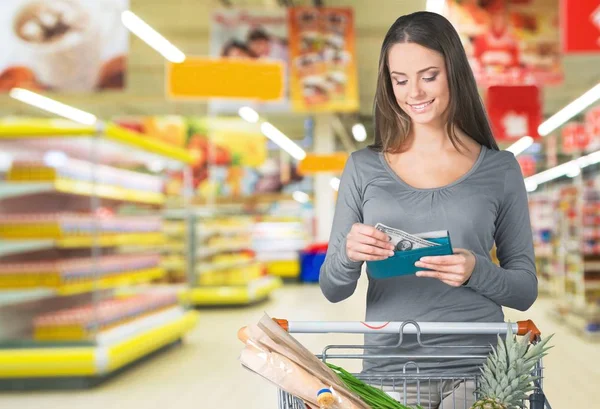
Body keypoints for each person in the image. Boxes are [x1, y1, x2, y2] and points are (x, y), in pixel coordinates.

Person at [319, 11, 537, 408]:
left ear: (454, 72)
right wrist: (350, 256)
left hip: (479, 372)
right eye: (400, 80)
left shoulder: (499, 169)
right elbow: (334, 289)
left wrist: (477, 270)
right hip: (391, 369)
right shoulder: (363, 167)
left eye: (428, 76)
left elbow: (525, 290)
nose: (414, 92)